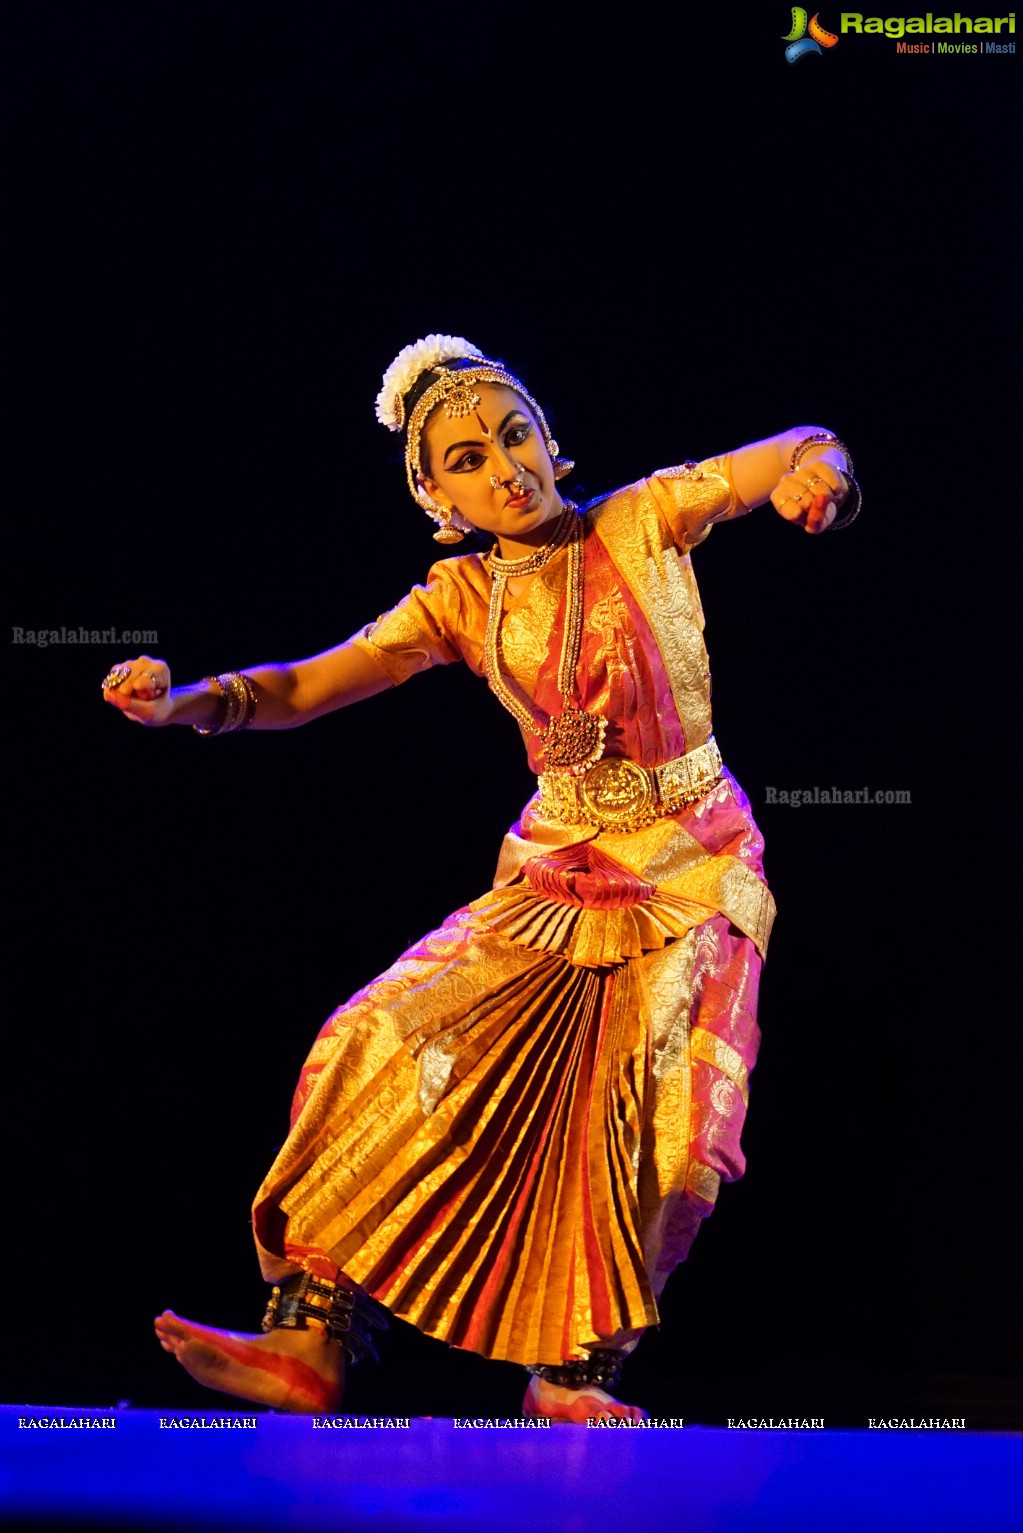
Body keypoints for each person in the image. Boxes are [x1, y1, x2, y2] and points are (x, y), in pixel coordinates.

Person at [102, 334, 859, 1423]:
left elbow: (795, 443)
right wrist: (179, 705)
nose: (503, 466)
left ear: (550, 442)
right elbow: (302, 689)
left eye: (514, 436)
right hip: (556, 869)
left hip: (693, 867)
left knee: (670, 1122)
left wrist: (815, 472)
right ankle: (309, 1339)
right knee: (378, 1037)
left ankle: (574, 1375)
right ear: (433, 492)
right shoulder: (457, 599)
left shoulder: (644, 518)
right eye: (466, 458)